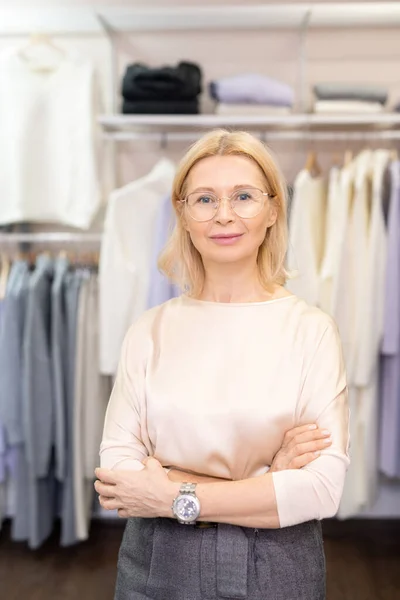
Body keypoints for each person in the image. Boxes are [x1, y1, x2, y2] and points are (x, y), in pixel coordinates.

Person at [95, 129, 350, 600]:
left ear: (273, 210)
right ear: (183, 214)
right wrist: (266, 480)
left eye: (244, 196)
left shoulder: (311, 330)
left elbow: (320, 489)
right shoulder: (149, 331)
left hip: (277, 565)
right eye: (205, 198)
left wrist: (170, 492)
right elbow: (119, 479)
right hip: (158, 564)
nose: (225, 214)